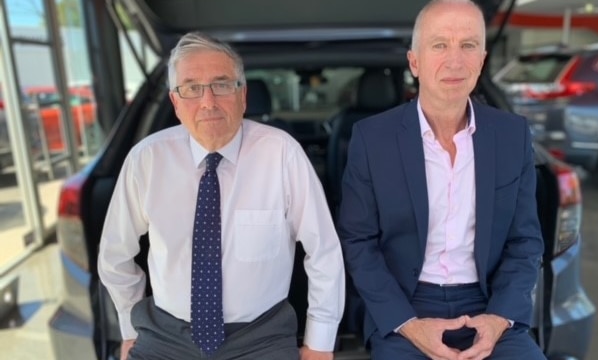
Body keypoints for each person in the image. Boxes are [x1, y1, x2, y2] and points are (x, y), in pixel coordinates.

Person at [98, 32, 345, 360]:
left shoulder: (282, 153)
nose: (208, 101)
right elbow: (115, 254)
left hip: (261, 336)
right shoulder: (146, 159)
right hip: (165, 335)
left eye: (222, 84)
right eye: (192, 87)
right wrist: (130, 328)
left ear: (242, 95)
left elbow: (324, 252)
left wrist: (319, 342)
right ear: (175, 101)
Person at [338, 1, 546, 359]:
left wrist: (498, 318)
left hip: (488, 302)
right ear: (414, 61)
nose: (455, 61)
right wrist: (408, 323)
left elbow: (525, 240)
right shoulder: (373, 139)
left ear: (481, 59)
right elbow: (358, 243)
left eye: (467, 45)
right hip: (405, 306)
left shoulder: (513, 136)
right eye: (439, 45)